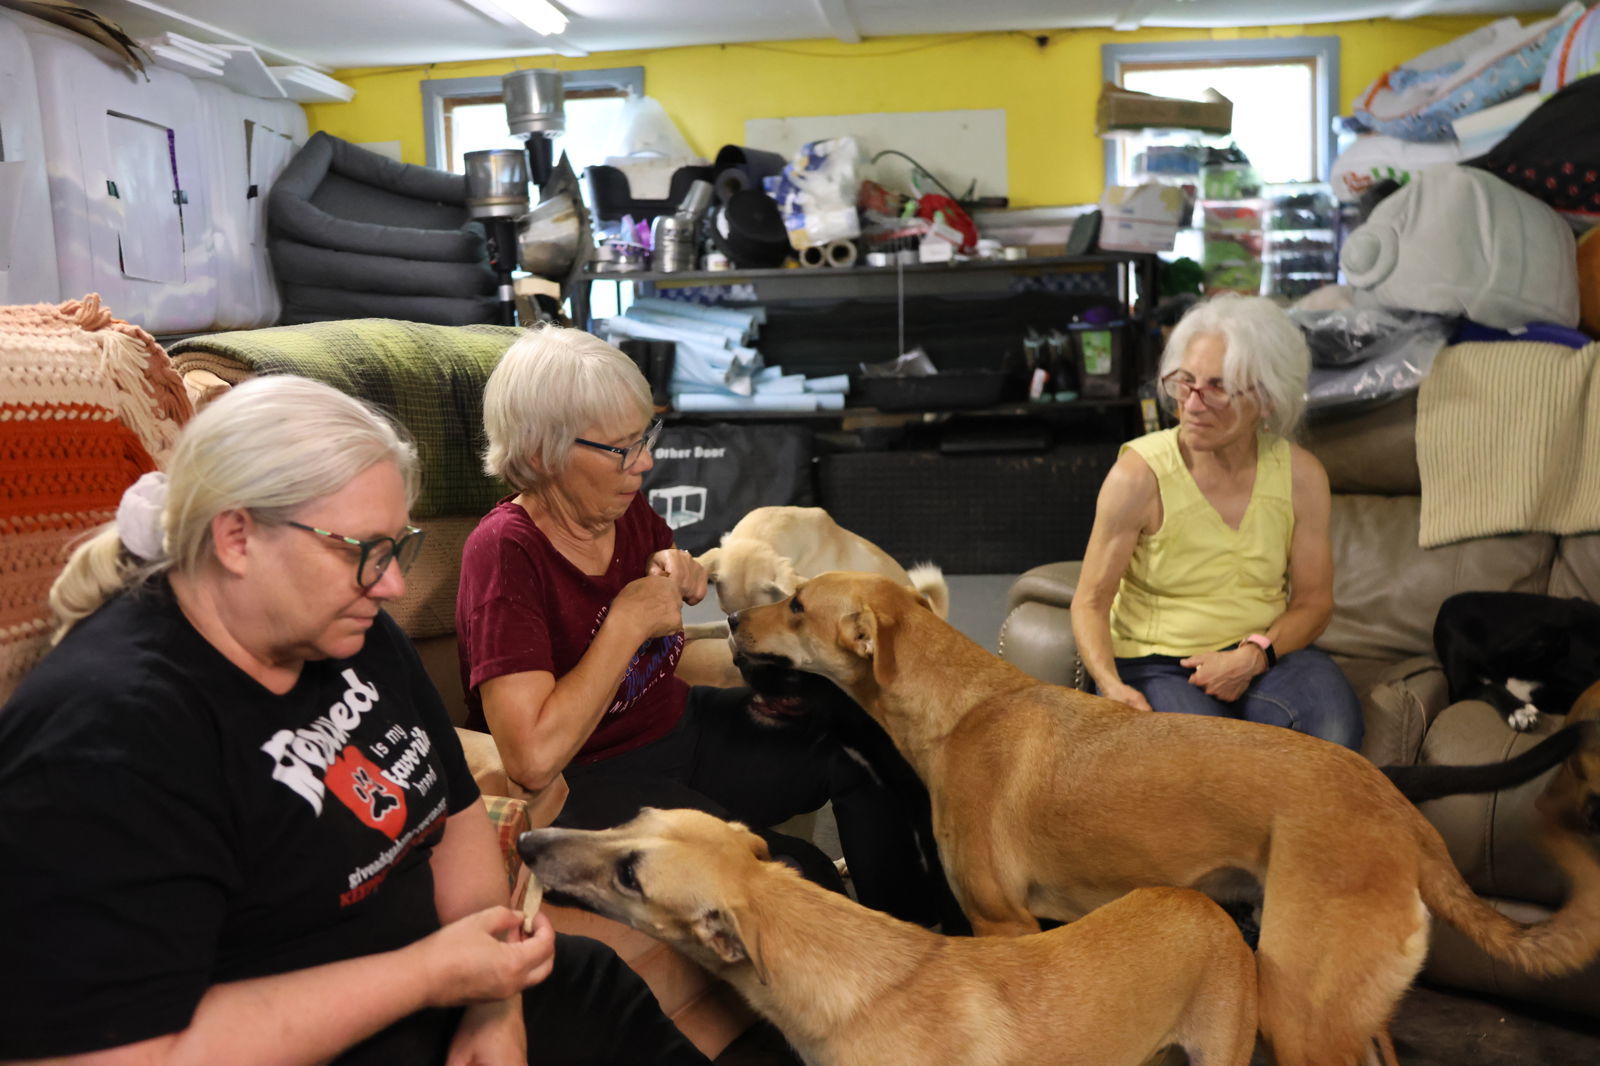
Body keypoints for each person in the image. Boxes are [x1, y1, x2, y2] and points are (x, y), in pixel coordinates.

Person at [0, 375, 709, 1065]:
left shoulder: (347, 629)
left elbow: (455, 814)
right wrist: (434, 976)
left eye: (397, 547)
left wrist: (494, 1007)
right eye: (366, 551)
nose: (394, 585)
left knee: (595, 984)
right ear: (237, 537)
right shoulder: (107, 742)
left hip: (441, 1000)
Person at [457, 326, 946, 926]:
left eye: (646, 437)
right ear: (540, 456)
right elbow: (531, 759)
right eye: (621, 448)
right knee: (800, 882)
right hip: (587, 782)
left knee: (870, 743)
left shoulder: (620, 504)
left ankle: (926, 944)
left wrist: (675, 569)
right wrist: (626, 623)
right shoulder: (506, 553)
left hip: (675, 729)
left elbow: (658, 596)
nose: (646, 462)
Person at [1073, 293, 1363, 749]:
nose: (1192, 404)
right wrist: (1112, 688)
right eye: (1184, 383)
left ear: (1266, 399)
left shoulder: (1302, 475)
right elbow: (1089, 601)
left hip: (1265, 654)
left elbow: (1314, 603)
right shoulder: (1138, 476)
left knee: (1334, 735)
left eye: (1217, 387)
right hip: (1156, 663)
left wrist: (1253, 656)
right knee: (1213, 760)